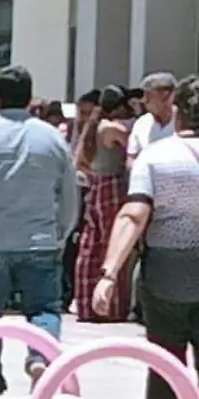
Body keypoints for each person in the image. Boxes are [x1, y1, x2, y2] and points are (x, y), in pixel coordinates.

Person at [94, 75, 199, 399]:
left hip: (165, 275)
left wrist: (109, 273)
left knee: (164, 364)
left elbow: (134, 215)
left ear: (177, 111)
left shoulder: (156, 158)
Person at [0, 65, 77, 394]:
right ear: (29, 98)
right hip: (40, 241)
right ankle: (40, 359)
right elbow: (68, 194)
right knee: (44, 310)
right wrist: (61, 235)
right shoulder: (53, 138)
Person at [75, 86, 134, 322]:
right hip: (112, 186)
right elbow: (134, 145)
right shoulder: (111, 128)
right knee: (113, 247)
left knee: (91, 248)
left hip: (96, 186)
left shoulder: (92, 127)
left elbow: (79, 162)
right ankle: (112, 307)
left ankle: (86, 304)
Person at [130, 72, 178, 163]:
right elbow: (132, 156)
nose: (143, 101)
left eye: (148, 96)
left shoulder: (186, 122)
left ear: (166, 96)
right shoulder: (141, 123)